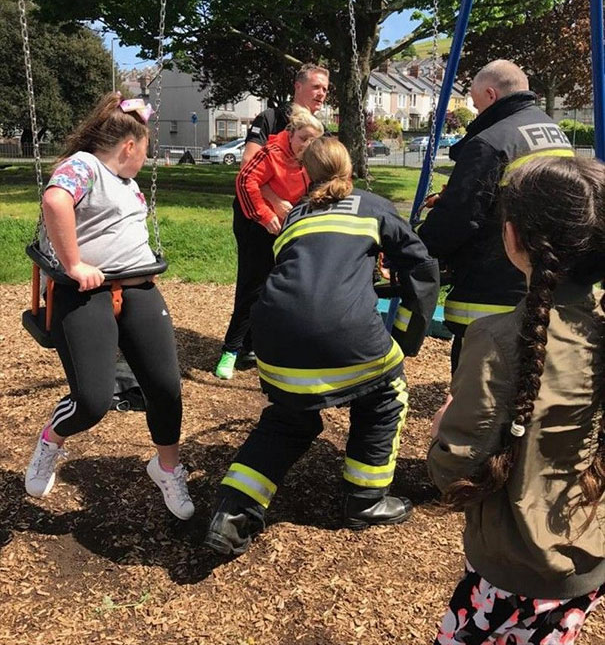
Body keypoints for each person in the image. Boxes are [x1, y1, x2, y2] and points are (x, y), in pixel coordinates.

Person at [204, 136, 440, 558]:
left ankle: (233, 510)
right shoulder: (372, 205)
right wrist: (406, 336)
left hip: (273, 338)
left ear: (306, 177)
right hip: (342, 333)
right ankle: (365, 501)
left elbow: (308, 274)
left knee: (290, 418)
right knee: (386, 393)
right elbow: (421, 267)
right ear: (350, 171)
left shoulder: (296, 215)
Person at [428, 155, 605, 645]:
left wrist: (441, 427)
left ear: (513, 237)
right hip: (586, 559)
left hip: (512, 568)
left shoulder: (497, 341)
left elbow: (457, 467)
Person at [24, 94, 195, 520]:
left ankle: (167, 467)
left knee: (165, 388)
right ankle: (52, 439)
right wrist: (75, 264)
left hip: (138, 289)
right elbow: (55, 201)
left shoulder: (129, 184)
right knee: (93, 400)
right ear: (130, 147)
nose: (146, 158)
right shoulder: (85, 165)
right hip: (84, 291)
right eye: (147, 150)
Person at [418, 59, 573, 373]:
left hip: (490, 293)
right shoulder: (554, 133)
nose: (476, 114)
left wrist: (414, 248)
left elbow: (458, 219)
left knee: (478, 398)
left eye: (475, 106)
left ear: (490, 94)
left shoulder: (490, 142)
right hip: (547, 282)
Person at [215, 64, 330, 379]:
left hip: (293, 217)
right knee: (254, 279)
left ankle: (260, 342)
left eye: (326, 89)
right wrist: (273, 203)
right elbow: (249, 169)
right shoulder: (270, 119)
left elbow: (322, 174)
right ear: (298, 86)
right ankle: (234, 347)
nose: (322, 93)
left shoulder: (322, 130)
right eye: (317, 86)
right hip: (257, 214)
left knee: (284, 281)